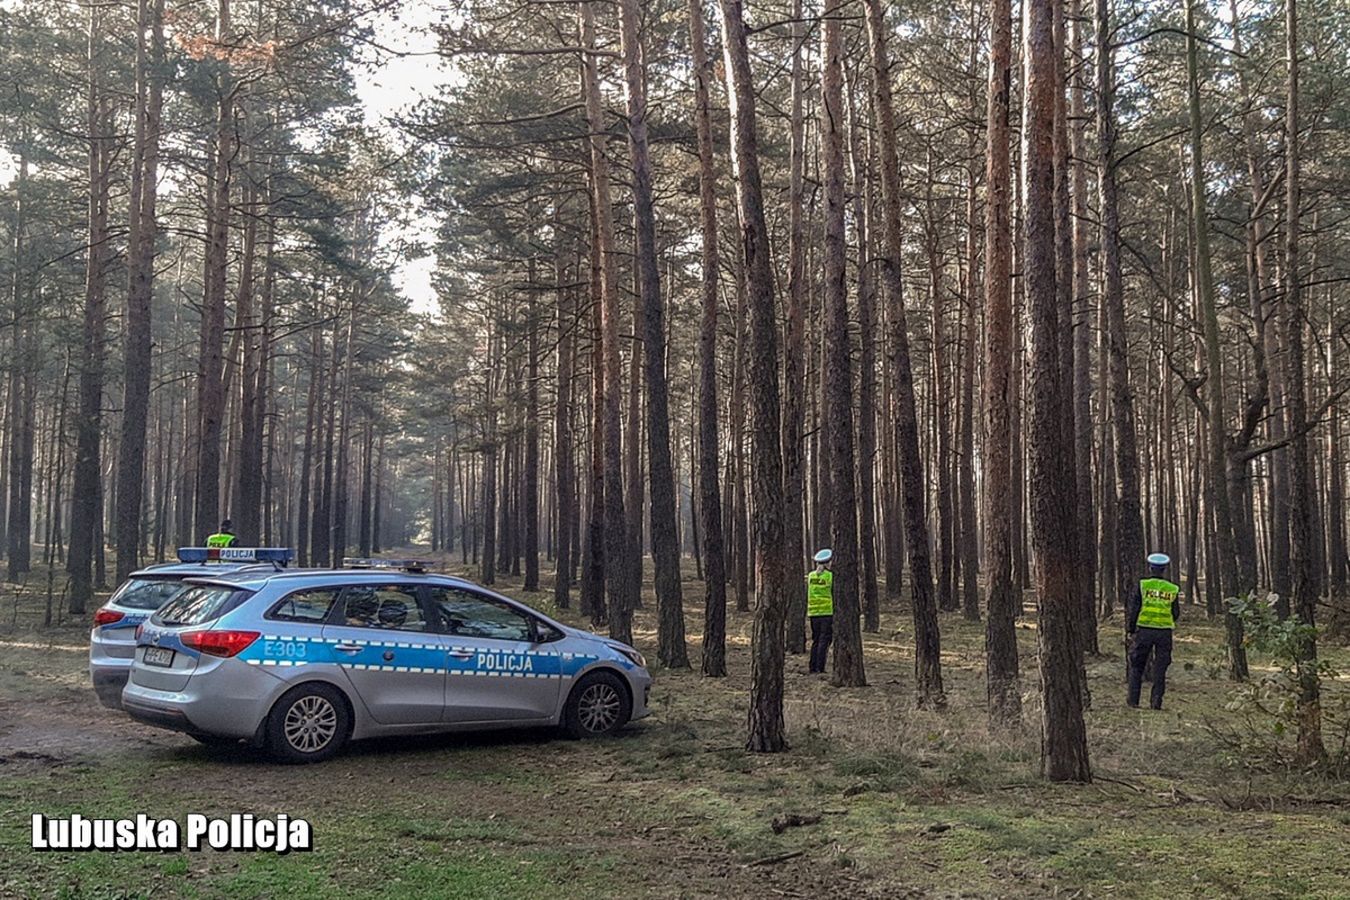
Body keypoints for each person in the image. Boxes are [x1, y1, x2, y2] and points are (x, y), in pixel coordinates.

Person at [1126, 552, 1180, 709]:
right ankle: (1156, 702)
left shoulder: (1143, 585)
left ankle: (1133, 700)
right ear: (1164, 569)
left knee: (1137, 665)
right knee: (1161, 667)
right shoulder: (1172, 589)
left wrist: (1131, 629)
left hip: (1144, 630)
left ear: (1150, 568)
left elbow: (1134, 609)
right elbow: (1175, 613)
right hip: (1164, 632)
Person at [807, 549, 834, 675]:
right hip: (827, 612)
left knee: (816, 640)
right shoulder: (830, 576)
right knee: (825, 640)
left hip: (813, 613)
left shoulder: (811, 576)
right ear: (828, 563)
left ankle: (812, 667)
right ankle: (820, 667)